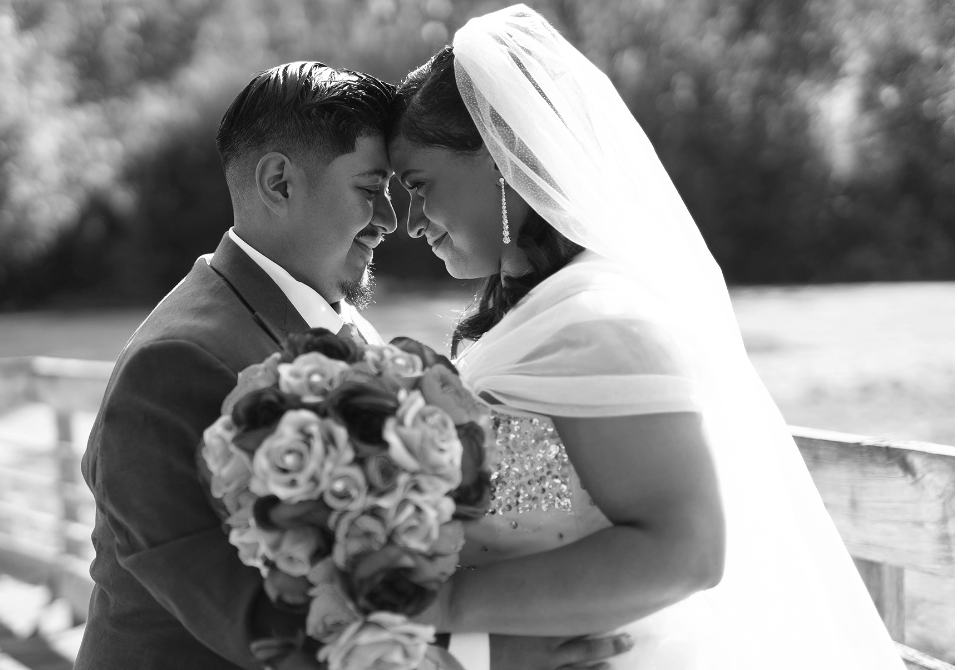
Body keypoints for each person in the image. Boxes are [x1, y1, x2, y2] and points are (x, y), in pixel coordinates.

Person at [387, 6, 907, 670]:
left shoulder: (601, 323)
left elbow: (685, 549)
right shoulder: (537, 316)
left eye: (419, 185)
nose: (410, 222)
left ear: (500, 158)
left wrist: (446, 606)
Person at [75, 60, 628, 670]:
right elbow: (254, 621)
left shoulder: (338, 323)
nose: (391, 222)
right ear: (280, 182)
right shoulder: (175, 368)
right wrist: (483, 652)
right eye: (370, 190)